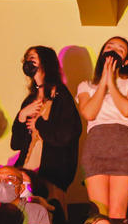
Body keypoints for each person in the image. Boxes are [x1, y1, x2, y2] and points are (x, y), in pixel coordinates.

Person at [76, 37, 128, 219]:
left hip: (124, 146)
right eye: (109, 47)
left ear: (126, 60)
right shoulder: (86, 85)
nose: (113, 50)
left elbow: (127, 109)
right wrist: (103, 82)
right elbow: (89, 113)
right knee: (99, 213)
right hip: (95, 146)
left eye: (120, 49)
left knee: (117, 212)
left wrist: (112, 82)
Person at [11, 46, 81, 200]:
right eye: (27, 59)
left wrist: (40, 124)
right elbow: (16, 143)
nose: (28, 62)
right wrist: (21, 116)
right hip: (26, 170)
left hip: (53, 173)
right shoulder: (30, 100)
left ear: (45, 62)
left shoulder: (60, 95)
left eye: (33, 59)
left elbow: (66, 134)